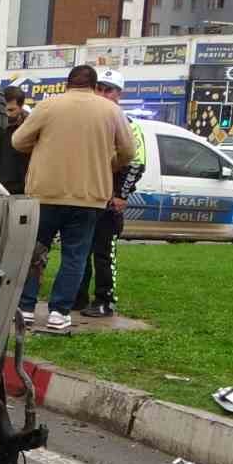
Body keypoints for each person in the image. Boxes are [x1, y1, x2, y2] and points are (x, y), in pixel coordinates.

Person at [11, 65, 135, 332]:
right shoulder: (112, 111)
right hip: (89, 197)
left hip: (46, 192)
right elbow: (128, 152)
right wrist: (109, 162)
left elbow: (18, 141)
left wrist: (42, 147)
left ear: (67, 84)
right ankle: (59, 312)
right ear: (93, 85)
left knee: (35, 252)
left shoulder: (48, 106)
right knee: (75, 255)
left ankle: (27, 307)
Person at [75, 69, 145, 318]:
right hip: (86, 196)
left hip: (109, 199)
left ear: (119, 94)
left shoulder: (128, 124)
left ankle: (105, 300)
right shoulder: (90, 122)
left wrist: (122, 195)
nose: (104, 94)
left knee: (103, 253)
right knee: (79, 249)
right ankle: (77, 297)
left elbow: (137, 163)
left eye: (109, 90)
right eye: (100, 89)